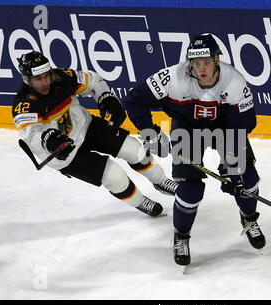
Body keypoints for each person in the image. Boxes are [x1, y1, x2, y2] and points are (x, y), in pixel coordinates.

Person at [122, 34, 265, 266]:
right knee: (190, 189)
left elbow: (244, 123)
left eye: (207, 62)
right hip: (187, 128)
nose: (201, 68)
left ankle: (249, 219)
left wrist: (230, 166)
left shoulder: (235, 82)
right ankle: (181, 235)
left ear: (217, 60)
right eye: (196, 63)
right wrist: (150, 133)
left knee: (247, 179)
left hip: (225, 127)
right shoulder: (173, 77)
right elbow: (134, 100)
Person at [12, 51, 178, 217]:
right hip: (63, 152)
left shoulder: (62, 77)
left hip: (86, 126)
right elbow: (30, 135)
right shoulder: (24, 104)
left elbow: (92, 80)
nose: (45, 82)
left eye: (46, 75)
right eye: (38, 79)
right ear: (27, 79)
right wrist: (48, 139)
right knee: (114, 176)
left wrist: (106, 97)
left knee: (133, 149)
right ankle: (141, 202)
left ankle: (161, 180)